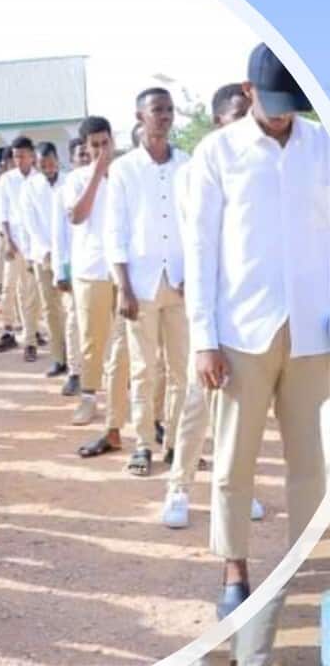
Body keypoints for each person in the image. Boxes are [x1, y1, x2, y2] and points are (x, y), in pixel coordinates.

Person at [183, 44, 329, 622]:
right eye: (272, 104)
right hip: (241, 331)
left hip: (315, 329)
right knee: (234, 459)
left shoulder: (321, 146)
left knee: (312, 461)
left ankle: (305, 564)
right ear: (248, 92)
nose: (282, 115)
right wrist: (203, 337)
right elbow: (200, 248)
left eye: (292, 106)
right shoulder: (217, 152)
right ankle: (235, 568)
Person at [161, 83, 262, 528]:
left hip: (251, 310)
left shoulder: (264, 166)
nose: (245, 123)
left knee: (244, 412)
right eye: (236, 115)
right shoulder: (197, 169)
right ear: (218, 120)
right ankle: (178, 488)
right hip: (209, 307)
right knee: (198, 403)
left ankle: (240, 490)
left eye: (248, 113)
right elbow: (193, 245)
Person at [104, 87, 191, 477]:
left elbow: (197, 224)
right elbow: (115, 231)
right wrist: (122, 286)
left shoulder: (188, 164)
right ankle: (142, 443)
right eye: (157, 110)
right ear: (140, 116)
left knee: (183, 369)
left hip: (182, 280)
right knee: (143, 369)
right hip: (140, 284)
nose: (165, 116)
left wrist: (197, 275)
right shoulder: (123, 170)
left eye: (169, 110)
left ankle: (176, 442)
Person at [66, 116, 132, 457]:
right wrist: (95, 173)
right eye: (94, 145)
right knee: (93, 338)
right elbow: (77, 216)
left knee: (125, 342)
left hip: (124, 271)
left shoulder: (126, 175)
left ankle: (122, 402)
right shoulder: (76, 179)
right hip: (90, 269)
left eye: (105, 143)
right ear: (85, 147)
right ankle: (89, 398)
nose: (101, 150)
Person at [19, 141, 69, 378]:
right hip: (44, 255)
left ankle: (76, 358)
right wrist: (41, 253)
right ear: (37, 165)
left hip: (69, 254)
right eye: (42, 165)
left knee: (72, 308)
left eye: (50, 163)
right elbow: (30, 224)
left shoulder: (69, 181)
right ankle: (59, 358)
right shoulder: (30, 187)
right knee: (51, 309)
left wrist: (63, 250)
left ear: (57, 160)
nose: (48, 168)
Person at [0, 136, 44, 363]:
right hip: (15, 243)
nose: (19, 160)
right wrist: (8, 241)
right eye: (15, 156)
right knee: (15, 289)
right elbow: (3, 214)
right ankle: (21, 336)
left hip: (37, 245)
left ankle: (32, 335)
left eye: (23, 155)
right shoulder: (7, 181)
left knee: (33, 293)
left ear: (32, 155)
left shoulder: (41, 178)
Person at [52, 138, 90, 398]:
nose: (87, 159)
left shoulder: (108, 184)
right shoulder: (65, 190)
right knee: (75, 321)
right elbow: (59, 235)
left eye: (89, 154)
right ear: (72, 160)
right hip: (75, 266)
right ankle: (76, 372)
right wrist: (60, 271)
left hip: (103, 270)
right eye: (81, 156)